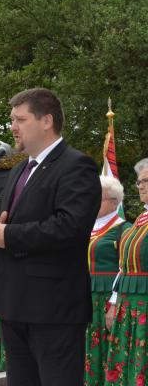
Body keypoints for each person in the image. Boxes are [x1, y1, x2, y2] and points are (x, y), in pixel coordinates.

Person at [0, 88, 101, 386]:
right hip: (14, 305)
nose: (12, 127)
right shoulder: (21, 169)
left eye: (20, 119)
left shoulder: (76, 166)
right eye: (12, 120)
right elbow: (4, 224)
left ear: (46, 121)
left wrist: (9, 235)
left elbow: (69, 227)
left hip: (53, 309)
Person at [82, 176, 130, 386]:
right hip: (83, 297)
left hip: (107, 298)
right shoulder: (86, 226)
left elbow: (125, 268)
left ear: (113, 202)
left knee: (106, 349)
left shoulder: (123, 229)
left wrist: (114, 302)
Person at [104, 158, 148, 386]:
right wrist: (114, 301)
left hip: (144, 305)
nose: (140, 185)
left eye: (146, 181)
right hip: (128, 304)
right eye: (140, 181)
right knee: (128, 364)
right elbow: (123, 267)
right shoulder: (139, 220)